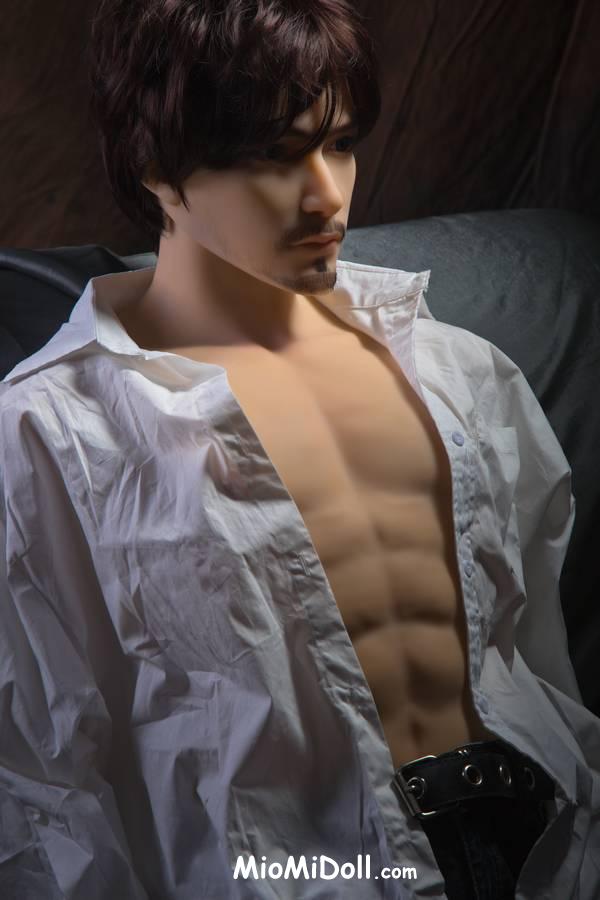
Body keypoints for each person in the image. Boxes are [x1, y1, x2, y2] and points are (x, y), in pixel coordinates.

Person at [0, 1, 598, 897]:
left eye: (341, 144)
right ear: (158, 167)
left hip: (548, 854)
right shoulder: (55, 435)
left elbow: (538, 657)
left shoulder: (456, 371)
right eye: (276, 157)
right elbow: (41, 788)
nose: (327, 195)